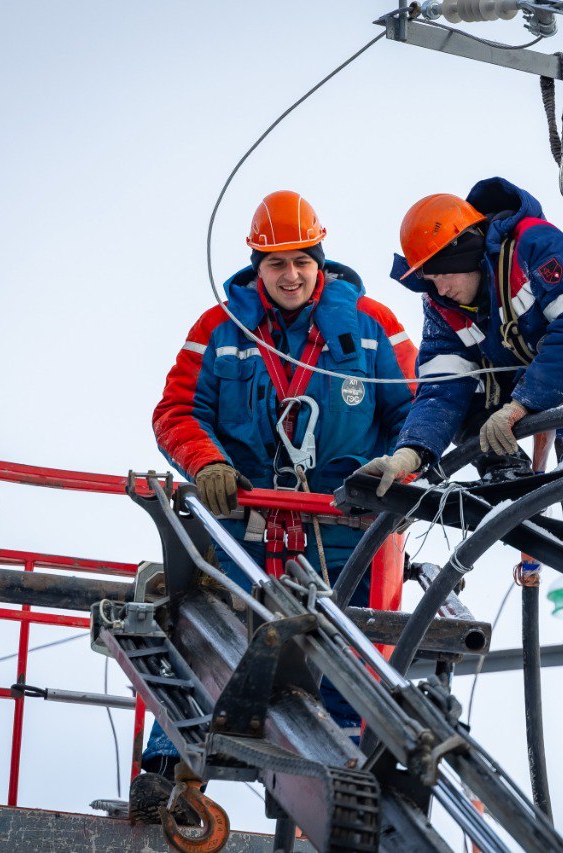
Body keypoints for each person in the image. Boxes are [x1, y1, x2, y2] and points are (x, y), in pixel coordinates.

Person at [132, 190, 416, 821]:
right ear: (255, 267)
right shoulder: (219, 330)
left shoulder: (373, 326)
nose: (290, 275)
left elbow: (413, 414)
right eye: (275, 263)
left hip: (346, 526)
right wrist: (206, 463)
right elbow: (176, 411)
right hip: (244, 522)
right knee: (209, 636)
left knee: (347, 654)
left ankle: (340, 789)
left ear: (321, 260)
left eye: (301, 261)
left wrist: (395, 467)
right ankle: (166, 775)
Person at [358, 177, 563, 494]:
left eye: (443, 275)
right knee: (473, 387)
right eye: (432, 281)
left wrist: (522, 404)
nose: (441, 289)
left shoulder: (536, 245)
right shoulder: (444, 308)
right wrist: (411, 453)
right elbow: (442, 388)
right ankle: (504, 472)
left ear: (464, 254)